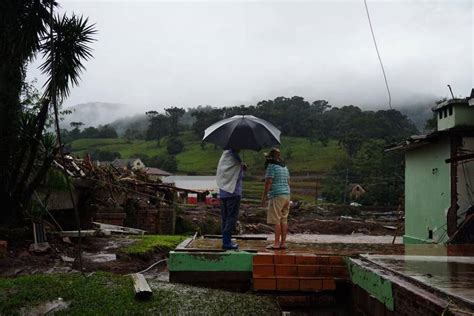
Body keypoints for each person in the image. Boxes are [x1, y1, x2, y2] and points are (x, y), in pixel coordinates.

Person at [216, 148, 246, 250]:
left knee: (225, 218)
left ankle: (226, 240)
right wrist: (242, 167)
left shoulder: (224, 156)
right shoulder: (235, 157)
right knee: (231, 217)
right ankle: (227, 242)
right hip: (233, 192)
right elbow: (239, 175)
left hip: (223, 192)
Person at [261, 148, 291, 250]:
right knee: (284, 220)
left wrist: (264, 196)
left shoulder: (271, 166)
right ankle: (283, 243)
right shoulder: (284, 167)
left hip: (277, 195)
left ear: (271, 156)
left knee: (276, 220)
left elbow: (269, 182)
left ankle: (276, 244)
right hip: (286, 195)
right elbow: (288, 181)